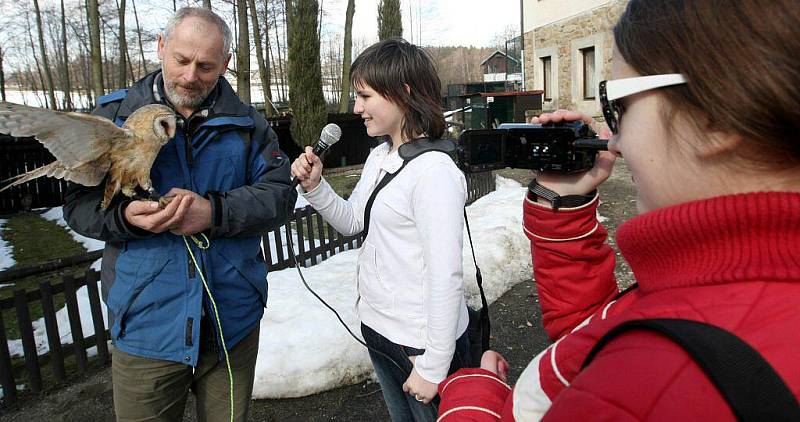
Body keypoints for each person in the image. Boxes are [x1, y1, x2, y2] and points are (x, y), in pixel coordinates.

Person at [437, 0, 800, 420]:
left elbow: (624, 367)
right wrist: (564, 203)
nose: (613, 142)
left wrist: (472, 401)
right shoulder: (726, 284)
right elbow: (600, 338)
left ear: (712, 116)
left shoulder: (657, 379)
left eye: (619, 107)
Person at [63, 7, 295, 421]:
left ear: (225, 64)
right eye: (181, 60)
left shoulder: (247, 124)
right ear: (161, 47)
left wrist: (215, 212)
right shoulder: (113, 118)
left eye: (206, 66)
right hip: (147, 322)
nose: (191, 76)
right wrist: (125, 218)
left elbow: (279, 195)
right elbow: (78, 207)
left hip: (231, 322)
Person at [290, 38, 471, 421]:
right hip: (379, 331)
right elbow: (355, 220)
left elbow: (446, 276)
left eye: (364, 96)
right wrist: (316, 187)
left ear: (402, 93)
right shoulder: (380, 155)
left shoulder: (434, 173)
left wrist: (434, 366)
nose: (356, 109)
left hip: (419, 347)